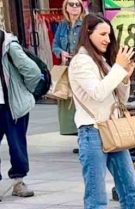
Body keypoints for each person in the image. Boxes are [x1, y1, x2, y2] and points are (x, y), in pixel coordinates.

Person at [68, 14, 135, 209]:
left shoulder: (101, 61)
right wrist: (118, 68)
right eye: (102, 34)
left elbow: (120, 97)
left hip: (112, 129)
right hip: (92, 132)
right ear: (87, 34)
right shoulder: (81, 62)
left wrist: (125, 75)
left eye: (109, 35)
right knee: (96, 193)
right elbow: (98, 93)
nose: (107, 40)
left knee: (130, 187)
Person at [0, 28, 42, 201]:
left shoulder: (9, 45)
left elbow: (33, 72)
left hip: (11, 105)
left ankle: (19, 181)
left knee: (17, 144)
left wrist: (26, 94)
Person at [53, 0, 86, 151]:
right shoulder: (62, 25)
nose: (74, 7)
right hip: (68, 67)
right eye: (71, 4)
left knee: (83, 101)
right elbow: (55, 45)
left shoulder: (86, 24)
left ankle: (84, 139)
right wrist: (61, 53)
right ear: (65, 7)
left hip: (83, 67)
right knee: (71, 104)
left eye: (77, 4)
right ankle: (80, 137)